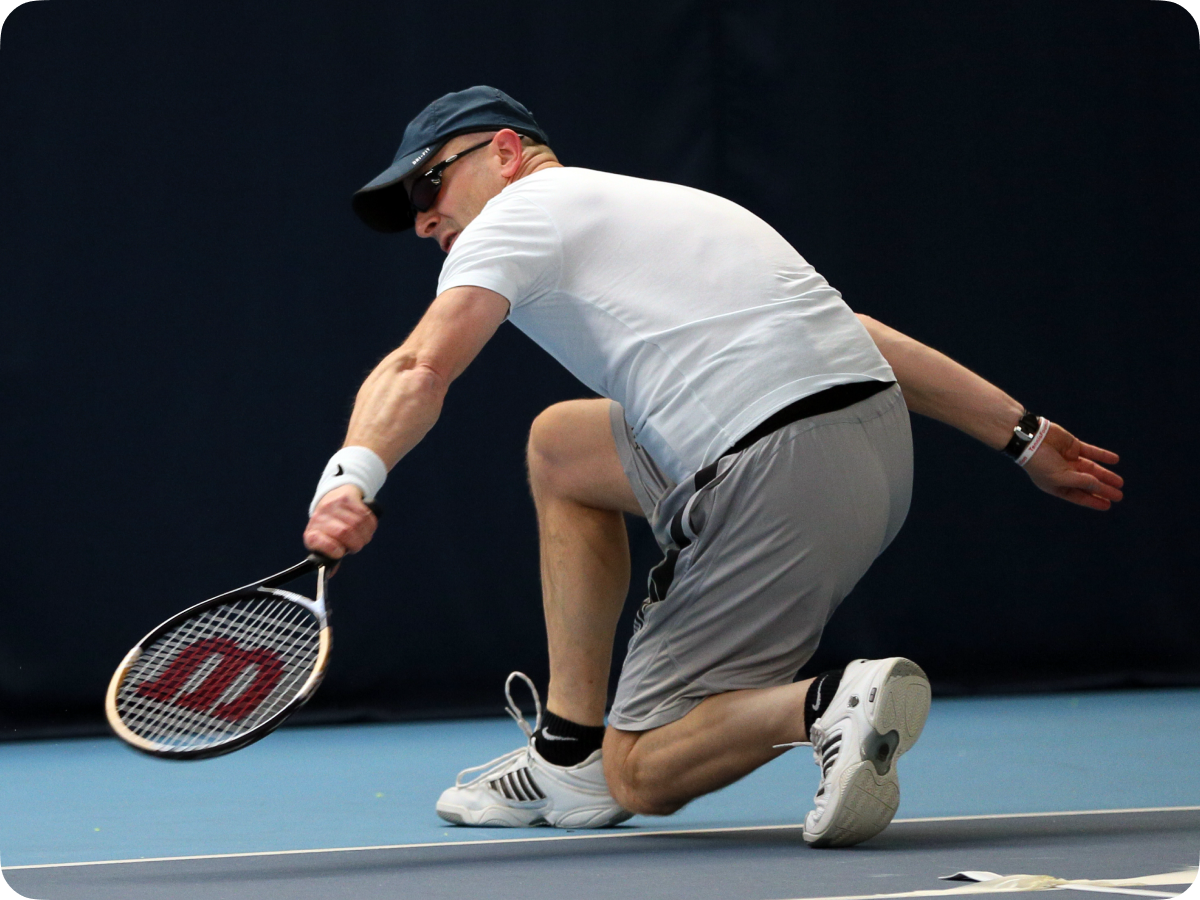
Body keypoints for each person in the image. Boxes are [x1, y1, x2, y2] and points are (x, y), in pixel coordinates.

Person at [302, 86, 1123, 847]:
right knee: (561, 446)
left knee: (645, 771)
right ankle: (567, 753)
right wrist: (1023, 435)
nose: (422, 218)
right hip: (877, 449)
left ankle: (829, 704)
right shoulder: (672, 204)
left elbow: (419, 368)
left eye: (428, 186)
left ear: (507, 153)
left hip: (772, 470)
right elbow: (859, 330)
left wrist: (351, 478)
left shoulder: (513, 216)